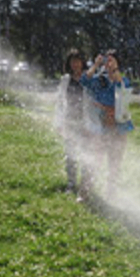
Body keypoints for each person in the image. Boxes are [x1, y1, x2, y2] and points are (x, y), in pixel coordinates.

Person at [81, 50, 134, 198]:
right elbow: (84, 81)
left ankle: (111, 193)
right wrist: (96, 65)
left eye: (111, 61)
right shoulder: (98, 80)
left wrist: (115, 70)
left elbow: (122, 89)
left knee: (114, 164)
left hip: (119, 129)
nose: (108, 64)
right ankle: (85, 191)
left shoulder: (123, 80)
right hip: (100, 127)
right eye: (106, 61)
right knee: (94, 161)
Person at [54, 49, 88, 197]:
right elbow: (60, 103)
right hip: (70, 121)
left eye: (78, 61)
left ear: (82, 62)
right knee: (70, 154)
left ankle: (85, 184)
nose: (75, 64)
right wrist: (59, 122)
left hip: (86, 123)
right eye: (72, 61)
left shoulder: (88, 78)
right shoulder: (65, 80)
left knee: (87, 154)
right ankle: (71, 183)